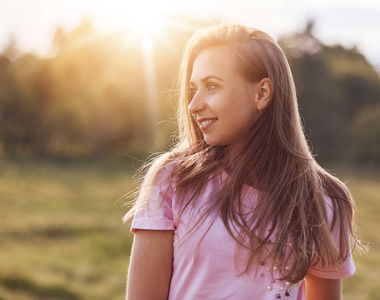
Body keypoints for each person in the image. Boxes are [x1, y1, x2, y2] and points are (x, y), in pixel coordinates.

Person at [123, 23, 363, 300]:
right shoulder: (174, 178)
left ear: (262, 93)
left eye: (211, 86)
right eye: (194, 89)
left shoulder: (326, 200)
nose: (193, 105)